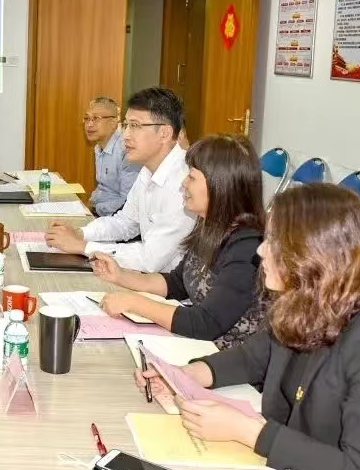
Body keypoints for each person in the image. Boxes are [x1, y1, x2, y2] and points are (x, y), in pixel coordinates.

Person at [135, 184, 360, 470]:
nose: (260, 250)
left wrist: (248, 432)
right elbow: (252, 358)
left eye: (273, 241)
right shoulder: (304, 305)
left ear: (312, 254)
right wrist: (185, 376)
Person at [93, 134, 267, 349]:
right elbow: (177, 283)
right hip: (198, 348)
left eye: (191, 177)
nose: (183, 183)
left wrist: (135, 303)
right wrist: (121, 276)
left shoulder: (247, 248)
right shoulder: (210, 227)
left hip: (226, 360)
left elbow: (206, 323)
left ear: (219, 185)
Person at [46, 87, 196, 272]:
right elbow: (125, 222)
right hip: (149, 276)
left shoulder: (184, 182)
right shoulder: (148, 170)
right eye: (126, 125)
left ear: (164, 133)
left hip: (169, 284)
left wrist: (83, 247)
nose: (125, 135)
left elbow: (149, 259)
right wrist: (80, 233)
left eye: (135, 126)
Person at [85, 96, 141, 216]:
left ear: (113, 122)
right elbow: (103, 188)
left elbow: (127, 202)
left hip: (117, 219)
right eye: (87, 118)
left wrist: (95, 208)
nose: (89, 124)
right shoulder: (98, 147)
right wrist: (87, 205)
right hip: (100, 213)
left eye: (95, 118)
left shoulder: (127, 150)